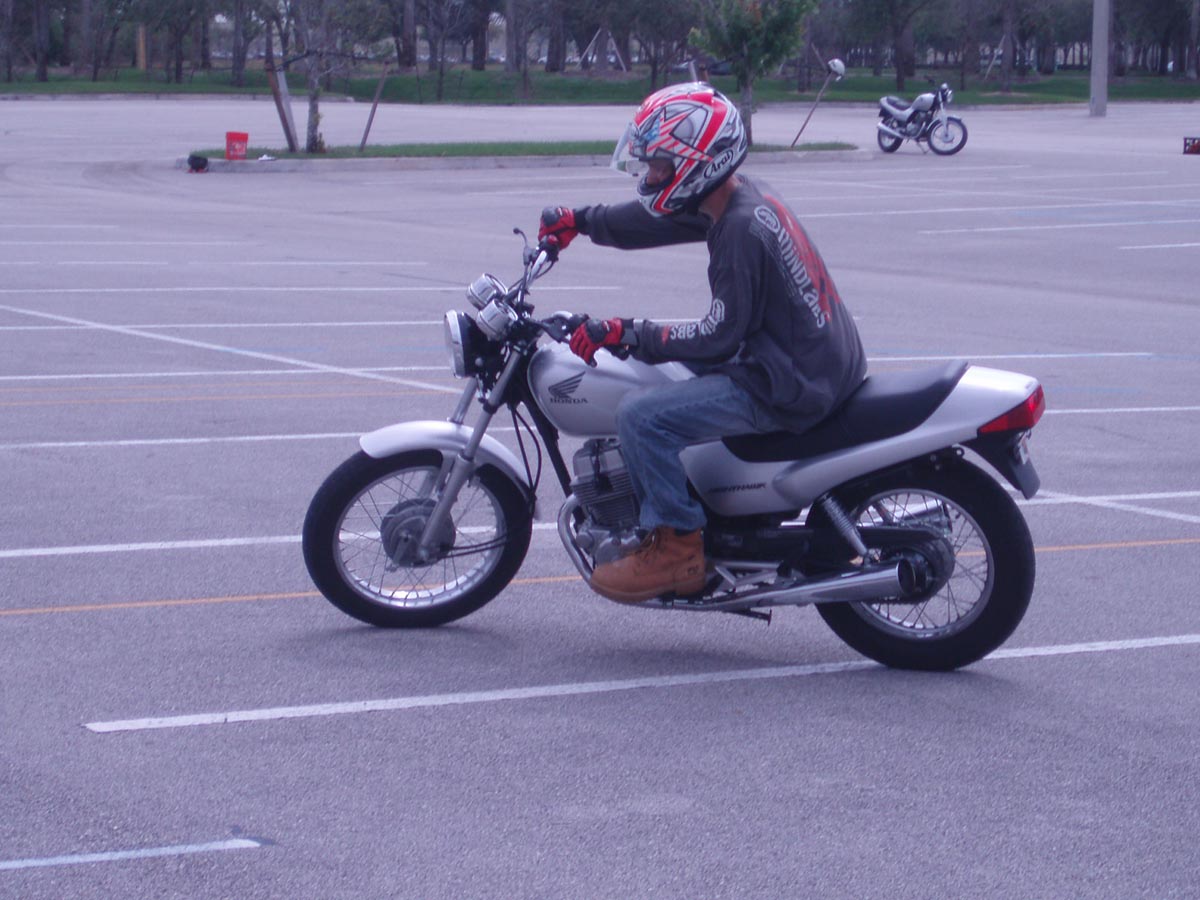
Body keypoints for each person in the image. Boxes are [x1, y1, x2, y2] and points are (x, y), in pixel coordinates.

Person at [538, 82, 867, 605]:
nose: (650, 176)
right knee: (669, 379)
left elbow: (718, 335)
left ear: (698, 163)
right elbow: (656, 221)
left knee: (641, 416)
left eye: (658, 165)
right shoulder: (740, 196)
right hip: (810, 360)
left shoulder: (738, 231)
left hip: (787, 383)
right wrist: (581, 221)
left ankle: (677, 548)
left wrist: (629, 332)